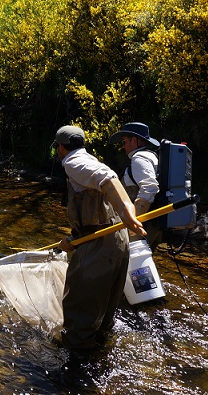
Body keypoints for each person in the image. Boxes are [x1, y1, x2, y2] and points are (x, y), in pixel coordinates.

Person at [52, 125, 146, 349]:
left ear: (61, 148)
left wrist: (127, 212)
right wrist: (72, 239)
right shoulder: (89, 159)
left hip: (100, 245)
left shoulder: (72, 162)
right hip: (114, 239)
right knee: (104, 312)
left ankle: (76, 375)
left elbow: (108, 179)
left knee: (79, 310)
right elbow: (95, 211)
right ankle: (100, 354)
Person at [109, 122, 161, 244]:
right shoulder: (151, 156)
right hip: (152, 223)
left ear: (134, 140)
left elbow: (149, 188)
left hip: (143, 224)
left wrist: (134, 223)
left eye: (124, 142)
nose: (123, 146)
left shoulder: (139, 158)